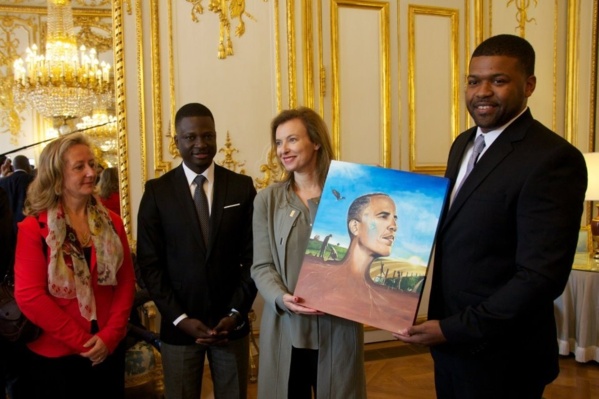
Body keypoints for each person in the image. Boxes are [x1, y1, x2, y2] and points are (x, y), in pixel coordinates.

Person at [393, 34, 587, 399]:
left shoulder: (553, 159)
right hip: (452, 347)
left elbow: (539, 278)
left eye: (498, 80)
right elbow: (458, 232)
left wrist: (454, 329)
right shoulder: (463, 143)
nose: (482, 91)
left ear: (529, 85)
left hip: (504, 357)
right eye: (473, 80)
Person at [137, 102, 257, 399]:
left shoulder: (242, 187)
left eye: (207, 136)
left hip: (230, 326)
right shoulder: (157, 192)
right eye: (190, 137)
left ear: (216, 137)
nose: (200, 144)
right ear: (176, 141)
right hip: (180, 327)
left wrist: (235, 313)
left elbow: (254, 257)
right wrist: (180, 318)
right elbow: (149, 265)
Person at [251, 106, 366, 399]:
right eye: (278, 142)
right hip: (286, 326)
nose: (283, 150)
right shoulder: (266, 200)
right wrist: (282, 298)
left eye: (292, 140)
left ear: (315, 141)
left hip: (338, 326)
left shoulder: (350, 196)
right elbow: (261, 266)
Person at [13, 133, 136, 399]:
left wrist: (110, 336)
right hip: (54, 357)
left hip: (107, 348)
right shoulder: (34, 228)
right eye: (80, 167)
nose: (91, 172)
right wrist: (82, 342)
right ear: (57, 177)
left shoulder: (112, 222)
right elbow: (29, 296)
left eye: (92, 164)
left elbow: (125, 282)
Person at [295, 193, 420, 333]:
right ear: (355, 226)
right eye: (383, 216)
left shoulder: (387, 300)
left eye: (394, 218)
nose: (394, 226)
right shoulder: (315, 277)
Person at [0, 155, 34, 233]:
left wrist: (2, 176)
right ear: (27, 165)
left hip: (9, 227)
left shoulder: (3, 181)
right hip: (29, 224)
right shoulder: (32, 179)